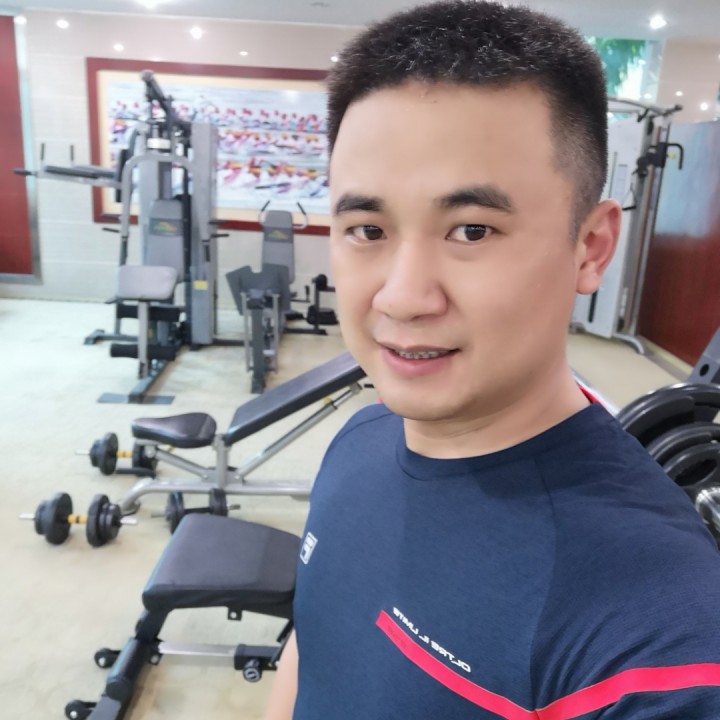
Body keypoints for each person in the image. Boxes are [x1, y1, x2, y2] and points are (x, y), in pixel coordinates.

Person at [265, 2, 720, 718]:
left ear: (590, 247)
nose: (403, 297)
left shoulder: (661, 642)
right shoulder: (360, 437)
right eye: (368, 229)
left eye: (471, 230)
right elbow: (313, 646)